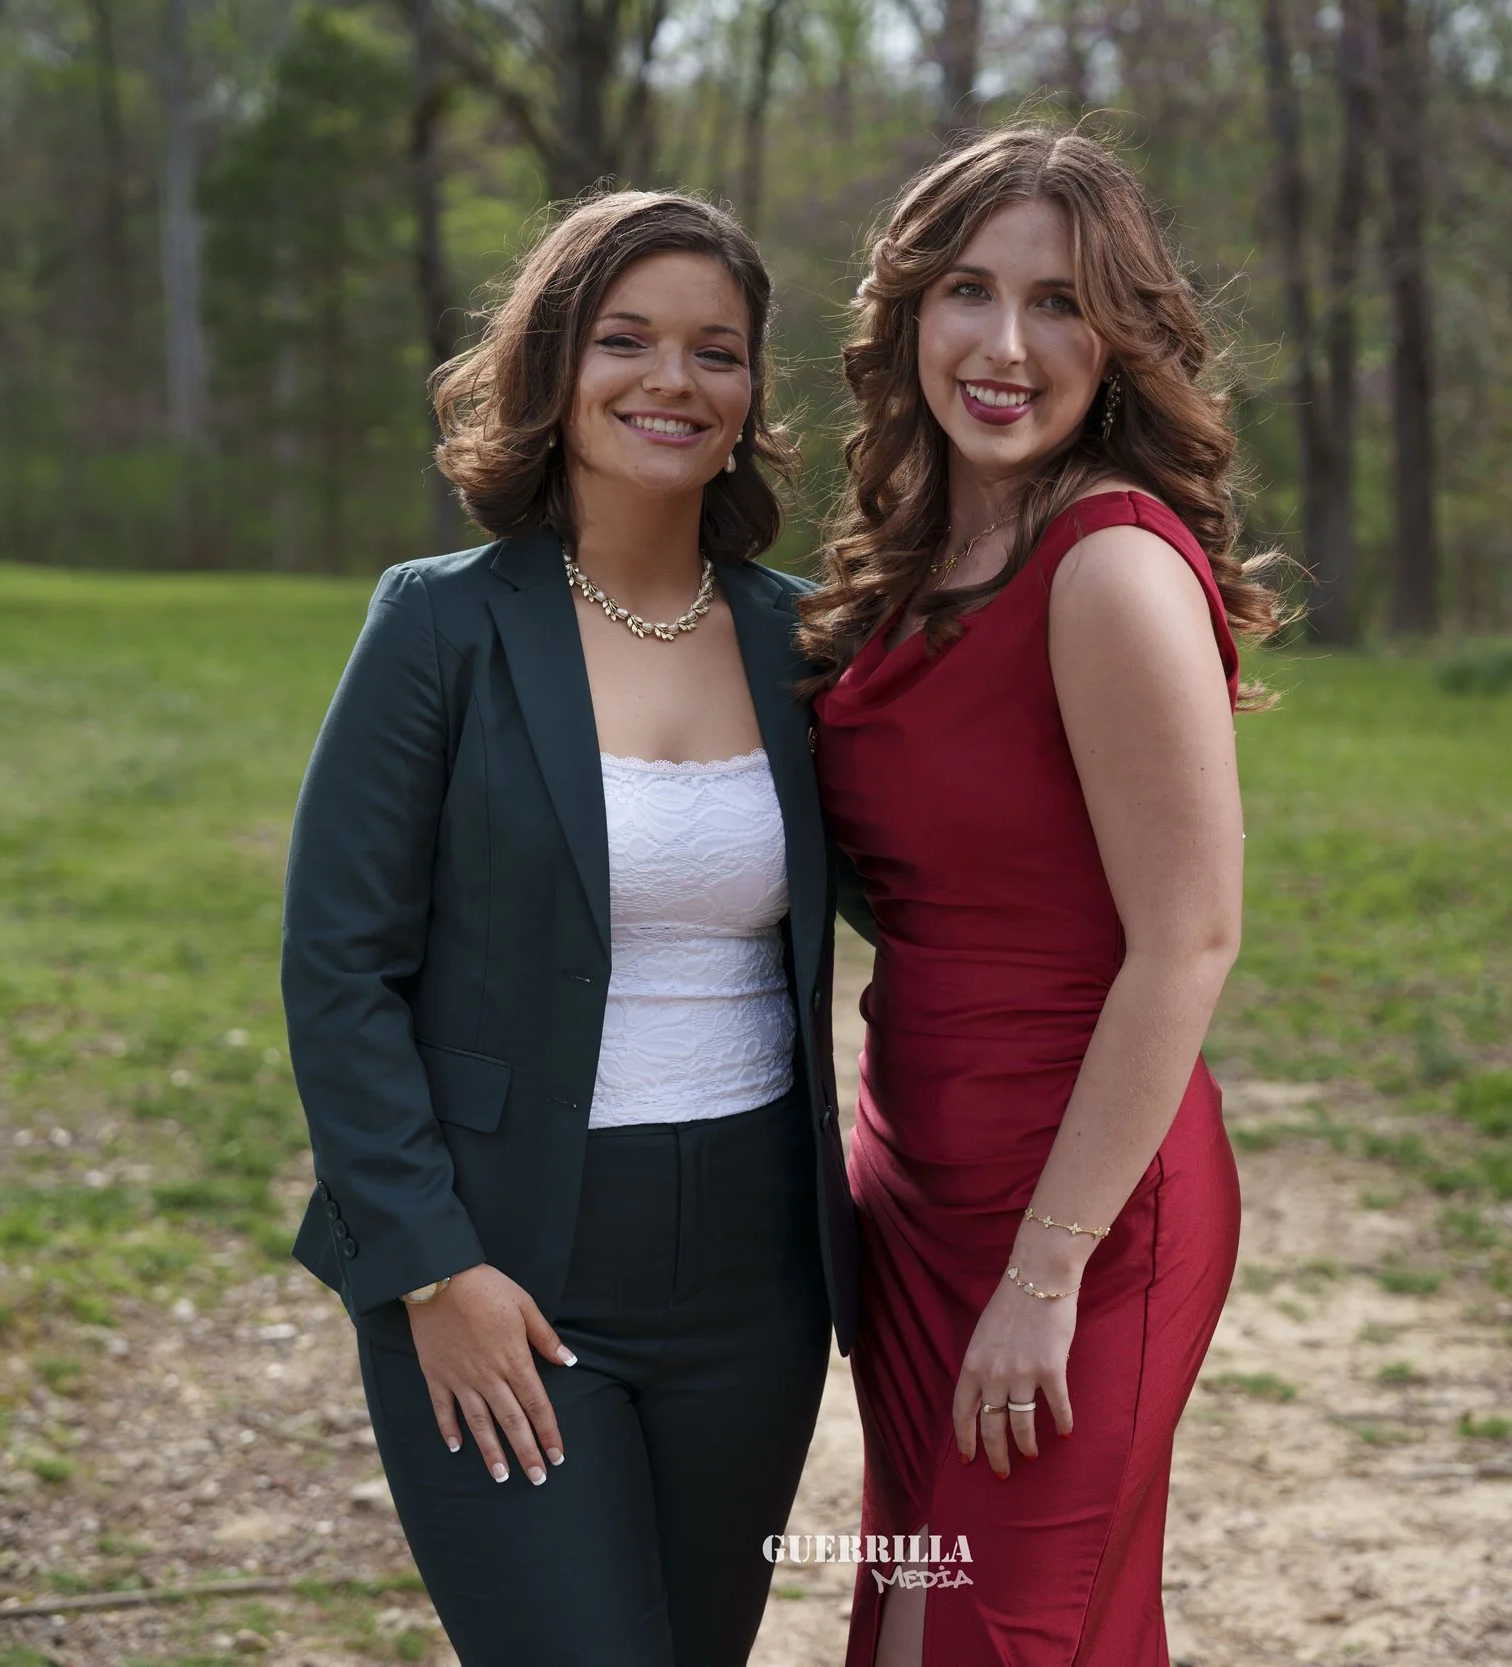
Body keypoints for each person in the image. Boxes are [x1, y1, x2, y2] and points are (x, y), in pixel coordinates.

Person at [280, 190, 857, 1667]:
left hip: (756, 1277)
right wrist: (432, 1269)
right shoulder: (441, 626)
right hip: (505, 1258)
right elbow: (340, 967)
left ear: (751, 393)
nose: (674, 379)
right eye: (626, 339)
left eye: (717, 350)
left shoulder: (805, 642)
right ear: (553, 364)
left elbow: (944, 885)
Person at [798, 127, 1281, 1667]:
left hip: (1083, 1208)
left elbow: (1190, 936)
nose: (1005, 344)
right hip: (918, 1182)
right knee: (913, 1628)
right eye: (969, 290)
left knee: (1000, 1638)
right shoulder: (914, 564)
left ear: (1120, 338)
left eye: (1059, 302)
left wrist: (1047, 1266)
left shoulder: (1108, 564)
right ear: (908, 312)